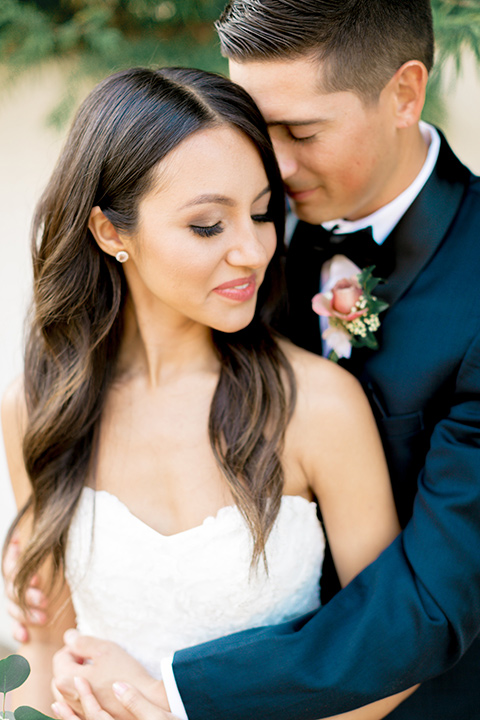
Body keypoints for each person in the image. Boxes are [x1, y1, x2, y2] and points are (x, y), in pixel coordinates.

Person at [38, 1, 480, 719]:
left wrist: (170, 693)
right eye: (257, 123)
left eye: (301, 130)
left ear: (403, 93)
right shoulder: (239, 236)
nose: (270, 163)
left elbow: (425, 609)